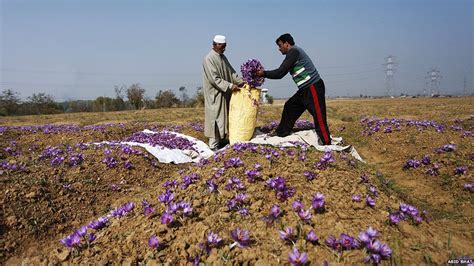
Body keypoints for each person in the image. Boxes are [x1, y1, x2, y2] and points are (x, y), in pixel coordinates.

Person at [256, 33, 331, 145]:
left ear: (287, 44)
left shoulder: (294, 52)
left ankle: (327, 144)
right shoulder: (293, 53)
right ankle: (281, 132)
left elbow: (280, 73)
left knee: (319, 116)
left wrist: (263, 73)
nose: (279, 48)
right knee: (290, 106)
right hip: (304, 90)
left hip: (313, 87)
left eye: (280, 45)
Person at [202, 35, 244, 151]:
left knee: (224, 118)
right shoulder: (208, 58)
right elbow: (214, 79)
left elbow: (231, 73)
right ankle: (213, 145)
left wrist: (241, 82)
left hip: (224, 94)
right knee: (215, 118)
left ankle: (221, 141)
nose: (224, 49)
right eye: (222, 46)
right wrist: (230, 86)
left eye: (225, 47)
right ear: (215, 45)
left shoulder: (222, 57)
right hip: (214, 95)